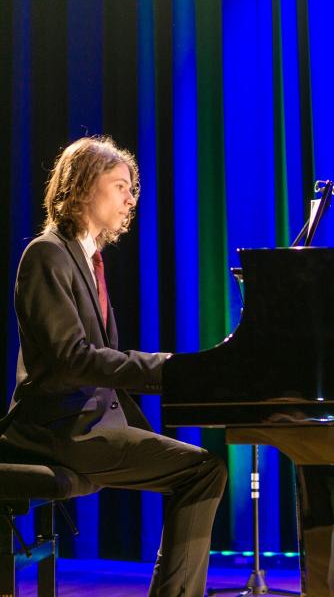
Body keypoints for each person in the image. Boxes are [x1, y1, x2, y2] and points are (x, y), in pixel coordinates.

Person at [3, 136, 227, 597]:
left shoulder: (88, 259)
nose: (131, 199)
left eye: (132, 189)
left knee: (204, 468)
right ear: (86, 186)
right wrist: (167, 369)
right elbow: (73, 357)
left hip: (90, 425)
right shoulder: (46, 254)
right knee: (202, 471)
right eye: (121, 186)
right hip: (61, 429)